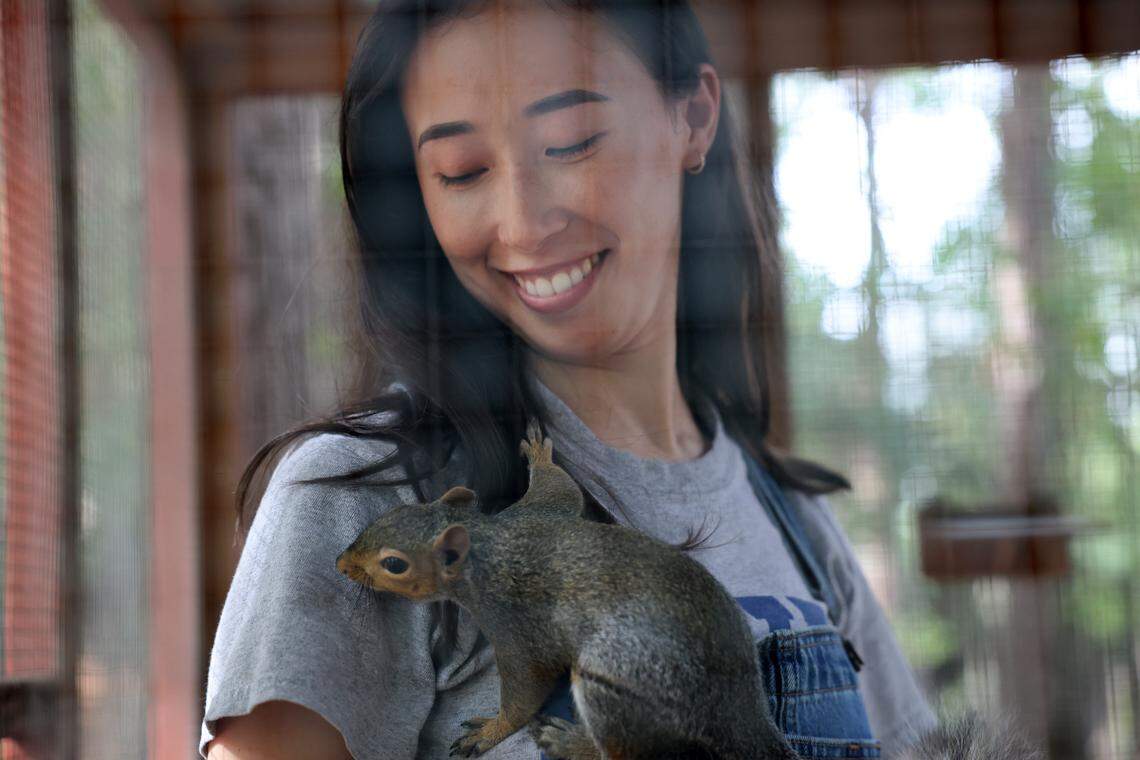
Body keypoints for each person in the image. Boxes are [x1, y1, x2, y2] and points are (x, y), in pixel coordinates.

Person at [200, 1, 939, 758]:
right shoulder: (362, 495)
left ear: (693, 116)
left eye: (570, 143)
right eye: (463, 172)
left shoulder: (799, 524)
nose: (522, 223)